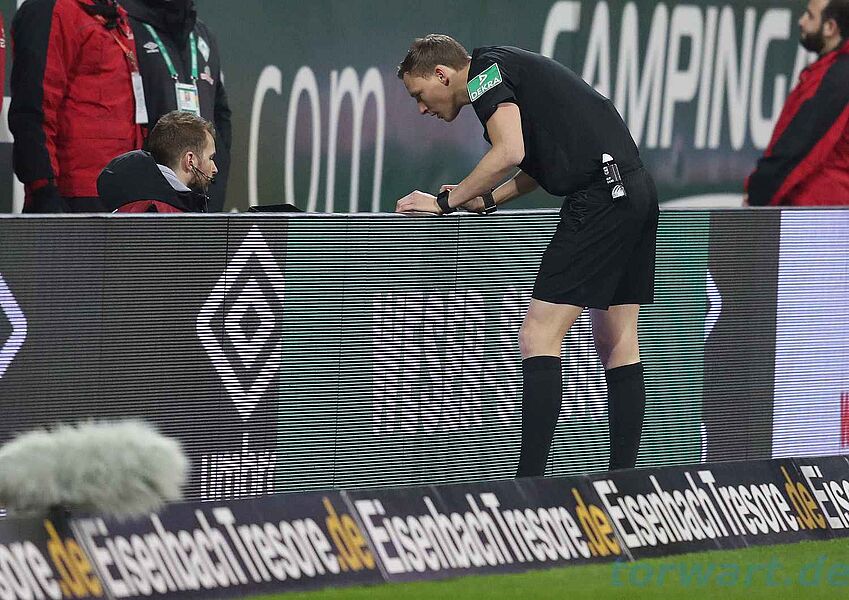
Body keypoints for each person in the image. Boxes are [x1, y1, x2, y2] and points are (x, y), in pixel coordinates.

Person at [395, 35, 659, 477]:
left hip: (600, 198)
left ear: (442, 75)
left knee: (539, 336)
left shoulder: (484, 74)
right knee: (617, 341)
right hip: (634, 190)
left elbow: (509, 151)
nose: (421, 108)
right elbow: (538, 160)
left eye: (419, 95)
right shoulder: (505, 67)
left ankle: (531, 487)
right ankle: (624, 484)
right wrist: (487, 198)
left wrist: (445, 202)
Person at [9, 0, 145, 212]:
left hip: (124, 191)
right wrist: (43, 188)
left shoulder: (116, 14)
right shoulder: (50, 9)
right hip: (73, 193)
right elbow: (33, 107)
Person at [119, 0, 231, 211]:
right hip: (149, 197)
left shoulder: (203, 35)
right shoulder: (127, 27)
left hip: (203, 196)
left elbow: (221, 114)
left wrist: (216, 182)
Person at [746, 0, 849, 206]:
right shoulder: (829, 73)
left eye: (810, 16)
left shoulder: (837, 79)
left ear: (830, 28)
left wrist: (757, 196)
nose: (801, 21)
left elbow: (796, 147)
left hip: (817, 214)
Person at [98, 110, 217, 212]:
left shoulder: (131, 202)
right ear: (190, 160)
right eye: (210, 158)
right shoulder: (166, 214)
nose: (215, 169)